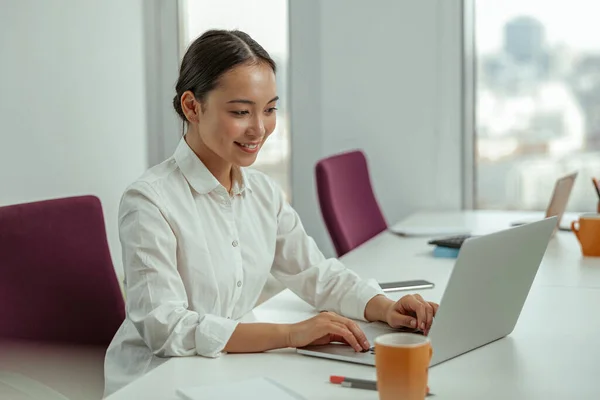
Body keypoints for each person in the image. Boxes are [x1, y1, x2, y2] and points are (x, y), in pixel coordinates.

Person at [103, 29, 438, 397]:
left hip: (229, 370)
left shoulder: (261, 191)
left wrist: (385, 308)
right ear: (192, 107)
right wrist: (292, 334)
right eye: (241, 112)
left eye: (270, 109)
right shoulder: (149, 201)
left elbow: (315, 272)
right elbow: (166, 328)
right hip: (159, 380)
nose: (259, 129)